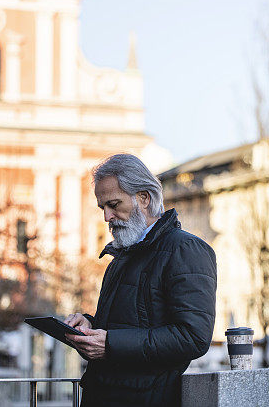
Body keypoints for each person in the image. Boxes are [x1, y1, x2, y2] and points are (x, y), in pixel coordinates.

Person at [65, 153, 217, 406]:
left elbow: (193, 336)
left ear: (144, 198)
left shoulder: (186, 249)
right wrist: (89, 327)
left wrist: (110, 344)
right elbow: (129, 325)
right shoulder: (121, 258)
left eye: (114, 204)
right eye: (103, 207)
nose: (107, 217)